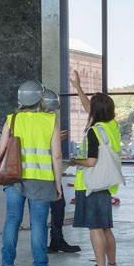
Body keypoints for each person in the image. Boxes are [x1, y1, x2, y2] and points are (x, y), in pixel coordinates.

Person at [0, 80, 65, 266]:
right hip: (42, 180)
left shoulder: (12, 119)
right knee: (38, 224)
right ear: (40, 99)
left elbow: (0, 150)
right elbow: (57, 156)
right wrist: (58, 184)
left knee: (11, 221)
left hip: (14, 177)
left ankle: (6, 264)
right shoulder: (49, 121)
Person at [70, 70, 121, 266]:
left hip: (91, 185)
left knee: (95, 228)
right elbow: (90, 109)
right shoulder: (111, 127)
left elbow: (91, 161)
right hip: (107, 185)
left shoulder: (93, 132)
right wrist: (78, 88)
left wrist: (74, 160)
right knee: (106, 227)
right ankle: (112, 265)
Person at [41, 88, 82, 255]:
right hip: (43, 173)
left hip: (48, 172)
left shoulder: (48, 120)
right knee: (44, 210)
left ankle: (56, 240)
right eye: (50, 109)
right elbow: (53, 153)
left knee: (58, 207)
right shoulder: (45, 121)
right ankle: (45, 245)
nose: (52, 112)